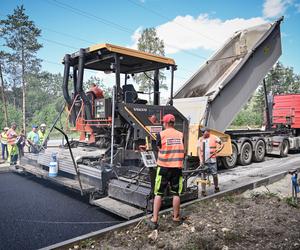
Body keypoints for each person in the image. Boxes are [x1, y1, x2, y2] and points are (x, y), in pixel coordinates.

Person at [147, 114, 185, 229]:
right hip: (177, 168)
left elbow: (159, 148)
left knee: (158, 193)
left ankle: (154, 220)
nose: (163, 123)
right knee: (176, 193)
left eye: (163, 122)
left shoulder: (161, 134)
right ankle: (176, 218)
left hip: (163, 167)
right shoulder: (180, 135)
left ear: (166, 123)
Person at [198, 127, 223, 196]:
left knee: (214, 175)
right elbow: (199, 151)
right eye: (202, 132)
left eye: (204, 132)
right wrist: (200, 160)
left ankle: (216, 187)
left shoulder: (214, 137)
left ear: (208, 132)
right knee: (203, 176)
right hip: (204, 161)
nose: (202, 133)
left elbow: (222, 144)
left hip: (212, 160)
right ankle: (203, 191)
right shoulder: (200, 139)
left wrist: (219, 149)